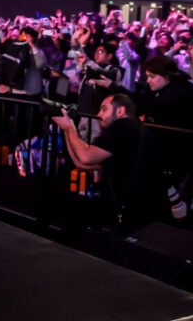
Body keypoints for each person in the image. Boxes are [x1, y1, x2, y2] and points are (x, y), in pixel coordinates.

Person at [53, 94, 154, 232]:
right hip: (131, 208)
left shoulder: (123, 126)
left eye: (104, 109)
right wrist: (67, 130)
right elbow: (81, 163)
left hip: (128, 209)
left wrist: (71, 128)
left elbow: (85, 157)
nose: (98, 114)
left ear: (120, 111)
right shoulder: (133, 127)